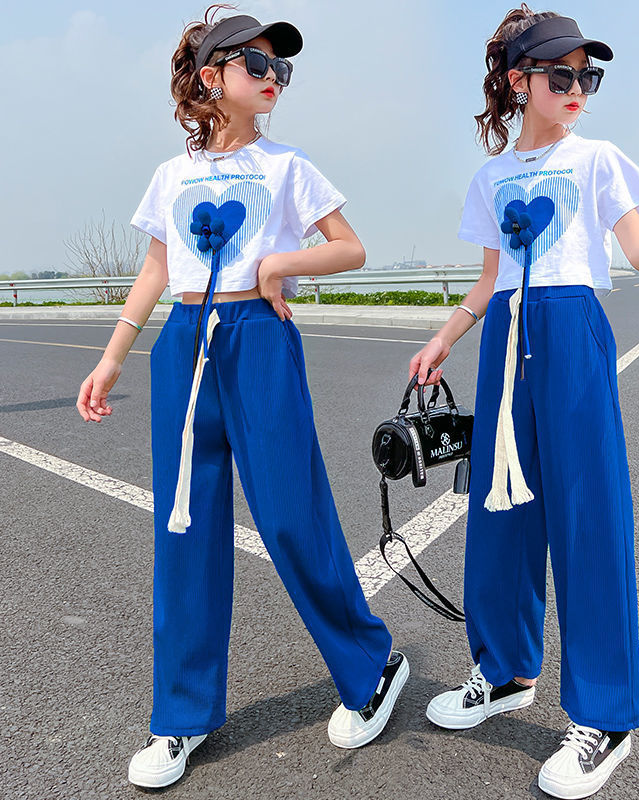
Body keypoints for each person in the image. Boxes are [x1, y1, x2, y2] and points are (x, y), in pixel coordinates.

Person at [408, 6, 639, 799]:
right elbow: (486, 281)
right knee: (499, 514)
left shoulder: (597, 160)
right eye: (562, 73)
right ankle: (506, 672)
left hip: (571, 326)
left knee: (588, 519)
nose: (578, 87)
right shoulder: (493, 178)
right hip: (506, 338)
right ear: (520, 82)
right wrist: (445, 337)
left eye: (588, 74)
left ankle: (607, 716)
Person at [76, 8, 407, 789]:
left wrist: (276, 265)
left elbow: (351, 247)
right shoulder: (173, 175)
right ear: (210, 78)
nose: (273, 80)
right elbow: (157, 270)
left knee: (293, 515)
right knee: (184, 526)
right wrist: (112, 356)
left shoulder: (289, 166)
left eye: (280, 69)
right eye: (257, 66)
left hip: (259, 339)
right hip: (184, 343)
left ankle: (372, 667)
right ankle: (180, 717)